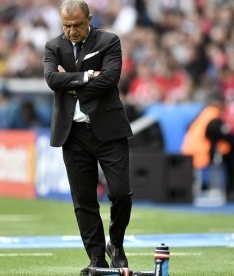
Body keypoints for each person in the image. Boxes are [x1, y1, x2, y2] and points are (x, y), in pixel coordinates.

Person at [43, 1, 133, 274]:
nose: (72, 31)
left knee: (120, 193)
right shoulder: (52, 47)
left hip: (108, 131)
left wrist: (70, 82)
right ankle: (96, 258)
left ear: (89, 19)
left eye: (77, 25)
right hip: (74, 134)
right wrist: (85, 76)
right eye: (66, 25)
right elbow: (50, 79)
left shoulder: (109, 41)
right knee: (83, 200)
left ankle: (115, 245)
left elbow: (110, 79)